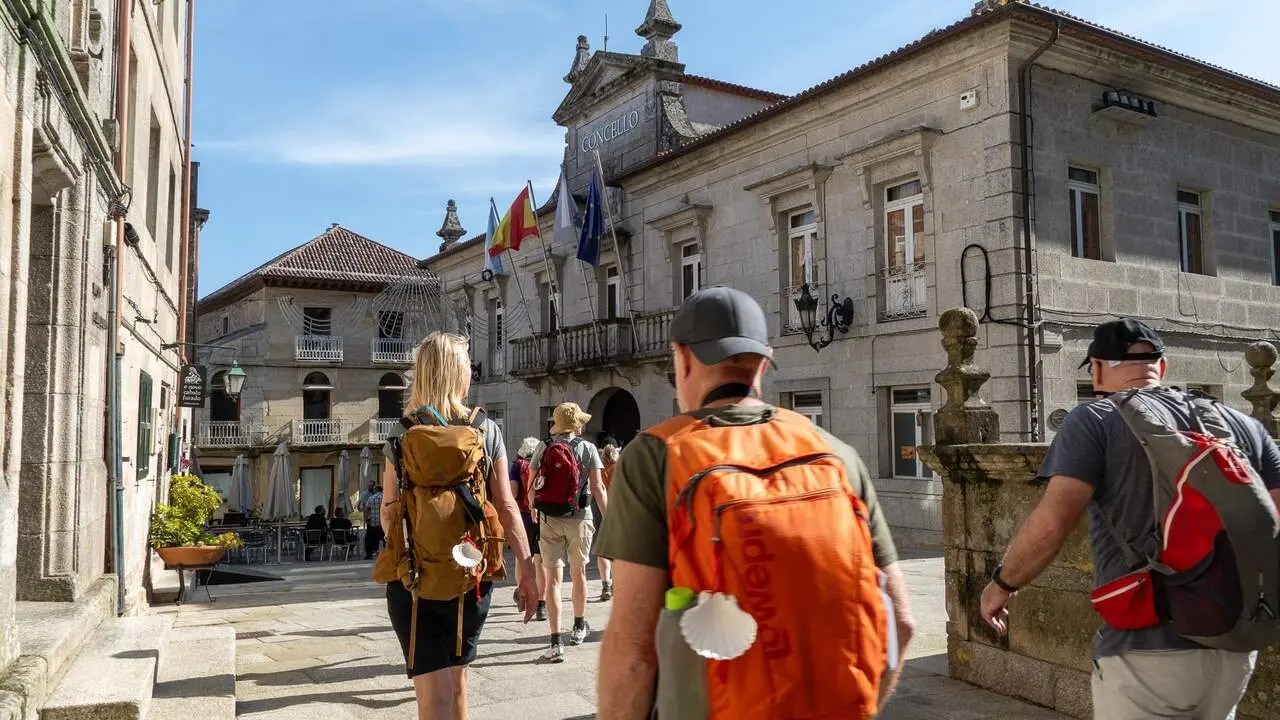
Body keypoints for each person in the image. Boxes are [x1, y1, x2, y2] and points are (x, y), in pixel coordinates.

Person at [596, 286, 915, 719]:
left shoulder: (657, 456)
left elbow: (632, 654)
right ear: (763, 362)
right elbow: (899, 620)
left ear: (683, 358)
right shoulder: (835, 454)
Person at [979, 318, 1280, 719]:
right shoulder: (1244, 426)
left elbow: (1052, 525)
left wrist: (1001, 585)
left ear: (1098, 369)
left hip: (1147, 650)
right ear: (1163, 367)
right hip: (1236, 644)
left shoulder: (1095, 420)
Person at [378, 331, 540, 720]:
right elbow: (505, 505)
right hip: (470, 575)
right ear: (456, 374)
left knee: (430, 702)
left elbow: (387, 511)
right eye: (467, 367)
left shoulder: (401, 434)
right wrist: (527, 566)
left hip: (414, 579)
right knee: (458, 688)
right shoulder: (486, 431)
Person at [531, 402, 606, 663]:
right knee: (579, 573)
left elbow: (532, 484)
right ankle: (578, 627)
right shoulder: (588, 448)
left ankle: (555, 642)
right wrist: (609, 516)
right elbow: (598, 487)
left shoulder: (543, 446)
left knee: (552, 579)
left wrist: (534, 509)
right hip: (580, 517)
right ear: (577, 425)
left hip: (549, 518)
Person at [512, 437, 547, 621]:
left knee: (523, 557)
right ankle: (542, 604)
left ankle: (522, 597)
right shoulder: (544, 464)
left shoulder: (517, 467)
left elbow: (513, 494)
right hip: (542, 516)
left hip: (524, 518)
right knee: (541, 561)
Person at [594, 444, 620, 601]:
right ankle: (616, 584)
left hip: (602, 511)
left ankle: (606, 584)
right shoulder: (620, 468)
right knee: (618, 550)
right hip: (619, 513)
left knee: (603, 550)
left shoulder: (599, 469)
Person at [360, 485, 384, 560]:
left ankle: (369, 553)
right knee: (385, 538)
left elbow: (366, 509)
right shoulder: (385, 498)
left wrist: (366, 519)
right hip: (382, 523)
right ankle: (387, 552)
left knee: (369, 538)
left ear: (376, 490)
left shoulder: (371, 498)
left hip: (373, 522)